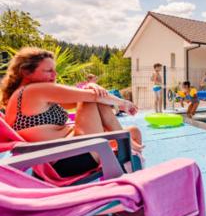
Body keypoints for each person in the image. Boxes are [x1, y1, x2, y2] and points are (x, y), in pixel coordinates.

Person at [0, 47, 144, 177]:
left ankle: (126, 149)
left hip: (70, 152)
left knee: (134, 131)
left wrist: (91, 85)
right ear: (26, 72)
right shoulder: (33, 90)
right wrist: (124, 103)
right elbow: (91, 96)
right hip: (70, 158)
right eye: (48, 70)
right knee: (90, 97)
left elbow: (80, 98)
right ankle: (127, 153)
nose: (54, 74)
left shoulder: (28, 94)